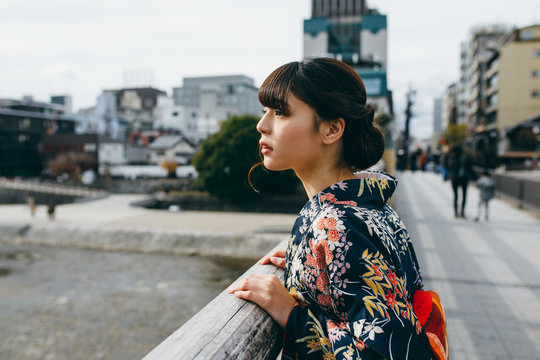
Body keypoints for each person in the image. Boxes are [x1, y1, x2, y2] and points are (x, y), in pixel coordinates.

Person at [228, 58, 444, 359]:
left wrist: (292, 315)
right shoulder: (372, 206)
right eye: (265, 112)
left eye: (280, 112)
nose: (261, 125)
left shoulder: (339, 228)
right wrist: (304, 263)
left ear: (331, 129)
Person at [446, 145, 474, 218]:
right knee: (464, 196)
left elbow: (448, 167)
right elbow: (470, 168)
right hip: (464, 179)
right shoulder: (465, 158)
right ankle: (462, 212)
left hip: (454, 179)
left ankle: (455, 212)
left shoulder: (451, 158)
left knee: (455, 196)